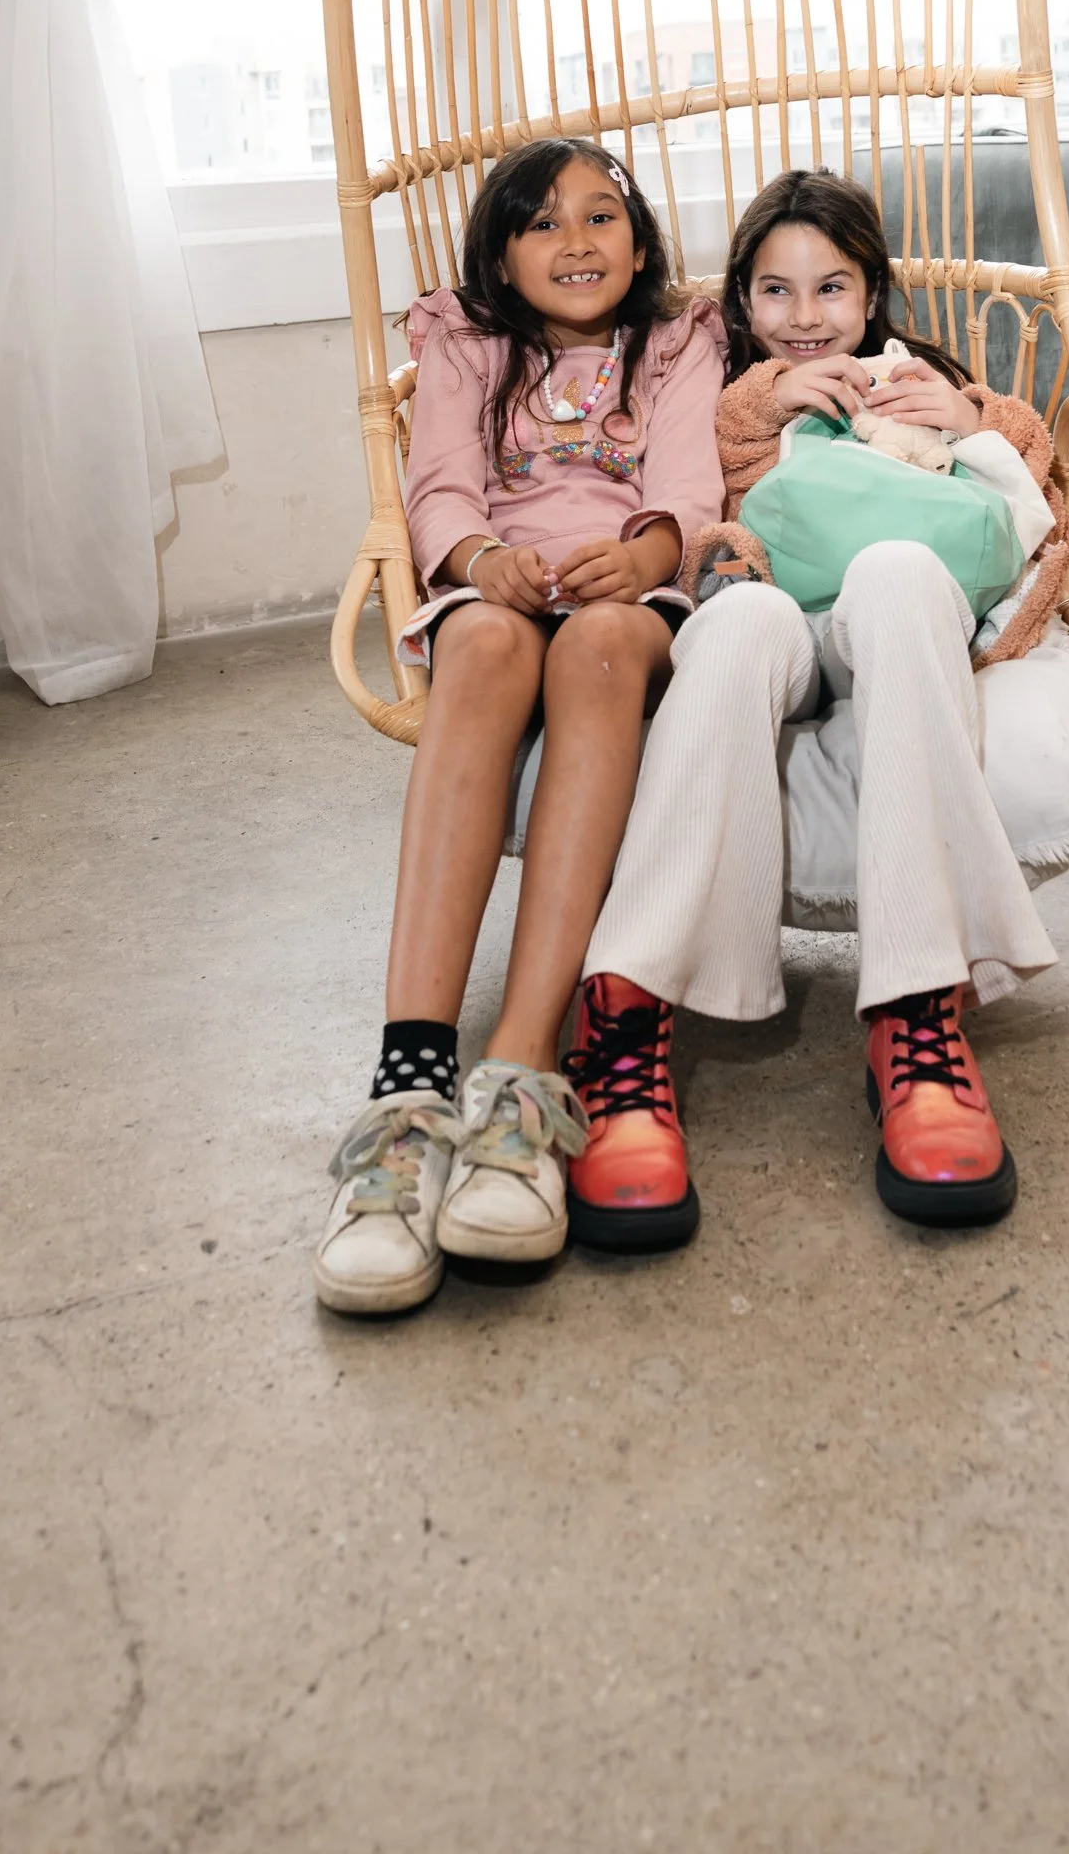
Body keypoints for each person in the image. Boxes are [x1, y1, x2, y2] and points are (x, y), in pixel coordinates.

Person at [563, 167, 1069, 1253]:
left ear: (873, 291)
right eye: (774, 294)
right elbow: (660, 503)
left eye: (831, 290)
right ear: (737, 301)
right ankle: (624, 1012)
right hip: (770, 608)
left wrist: (970, 410)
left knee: (893, 570)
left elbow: (1030, 481)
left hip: (894, 622)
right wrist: (751, 411)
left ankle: (915, 1013)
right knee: (737, 629)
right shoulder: (708, 384)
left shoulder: (916, 373)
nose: (804, 320)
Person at [314, 138, 725, 1317]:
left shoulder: (677, 340)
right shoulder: (463, 341)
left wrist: (645, 552)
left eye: (603, 217)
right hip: (494, 583)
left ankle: (523, 1069)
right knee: (484, 645)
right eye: (542, 223)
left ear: (639, 245)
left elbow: (692, 484)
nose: (578, 241)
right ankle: (408, 1085)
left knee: (600, 642)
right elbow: (436, 482)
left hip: (626, 585)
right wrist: (481, 560)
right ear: (498, 251)